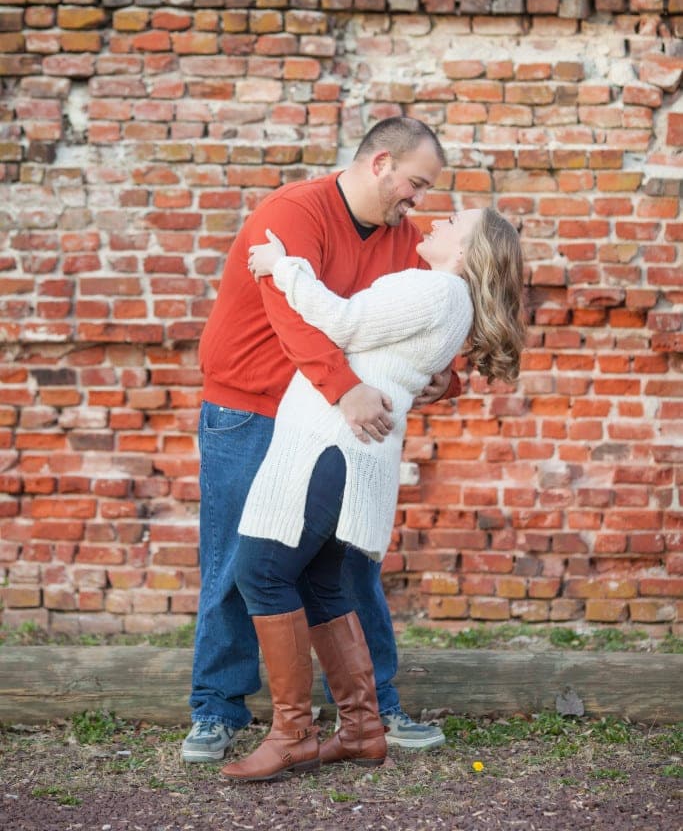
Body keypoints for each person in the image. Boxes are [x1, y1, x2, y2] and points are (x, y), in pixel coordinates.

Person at [183, 117, 462, 764]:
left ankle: (374, 710)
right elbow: (291, 316)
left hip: (328, 420)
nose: (416, 200)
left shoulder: (403, 240)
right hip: (252, 407)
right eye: (415, 183)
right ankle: (216, 711)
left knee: (350, 561)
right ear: (380, 163)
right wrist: (346, 388)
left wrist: (444, 374)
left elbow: (420, 313)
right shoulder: (292, 212)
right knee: (235, 563)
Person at [221, 206, 526, 781]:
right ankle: (362, 730)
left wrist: (282, 268)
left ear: (465, 252)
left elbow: (342, 322)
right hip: (349, 452)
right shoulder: (446, 297)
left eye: (455, 220)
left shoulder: (435, 288)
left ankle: (291, 734)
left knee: (261, 572)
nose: (438, 219)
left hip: (330, 447)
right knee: (318, 581)